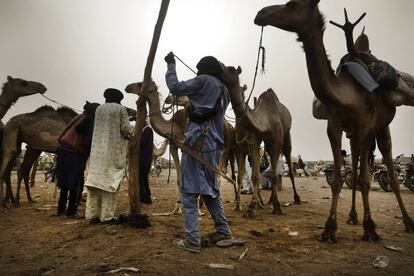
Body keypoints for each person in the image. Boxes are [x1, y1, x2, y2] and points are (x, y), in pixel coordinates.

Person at [165, 52, 232, 253]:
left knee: (189, 193)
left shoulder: (202, 81)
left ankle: (192, 240)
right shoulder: (224, 91)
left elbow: (175, 88)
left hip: (196, 144)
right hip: (214, 147)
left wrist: (171, 66)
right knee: (211, 191)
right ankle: (223, 230)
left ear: (203, 69)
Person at [84, 88, 131, 224]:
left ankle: (92, 215)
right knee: (110, 185)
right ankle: (107, 217)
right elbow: (126, 129)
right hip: (113, 153)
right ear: (119, 99)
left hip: (97, 154)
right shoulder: (121, 109)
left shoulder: (99, 109)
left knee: (95, 185)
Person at [56, 101, 99, 217]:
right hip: (75, 154)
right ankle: (71, 212)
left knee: (64, 182)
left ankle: (61, 209)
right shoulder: (91, 122)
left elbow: (63, 133)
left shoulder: (78, 117)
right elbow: (87, 142)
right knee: (76, 184)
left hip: (63, 150)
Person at [139, 120, 154, 204]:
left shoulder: (147, 130)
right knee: (143, 179)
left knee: (142, 179)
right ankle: (146, 197)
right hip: (145, 159)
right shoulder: (146, 130)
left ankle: (144, 198)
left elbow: (142, 142)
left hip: (144, 160)